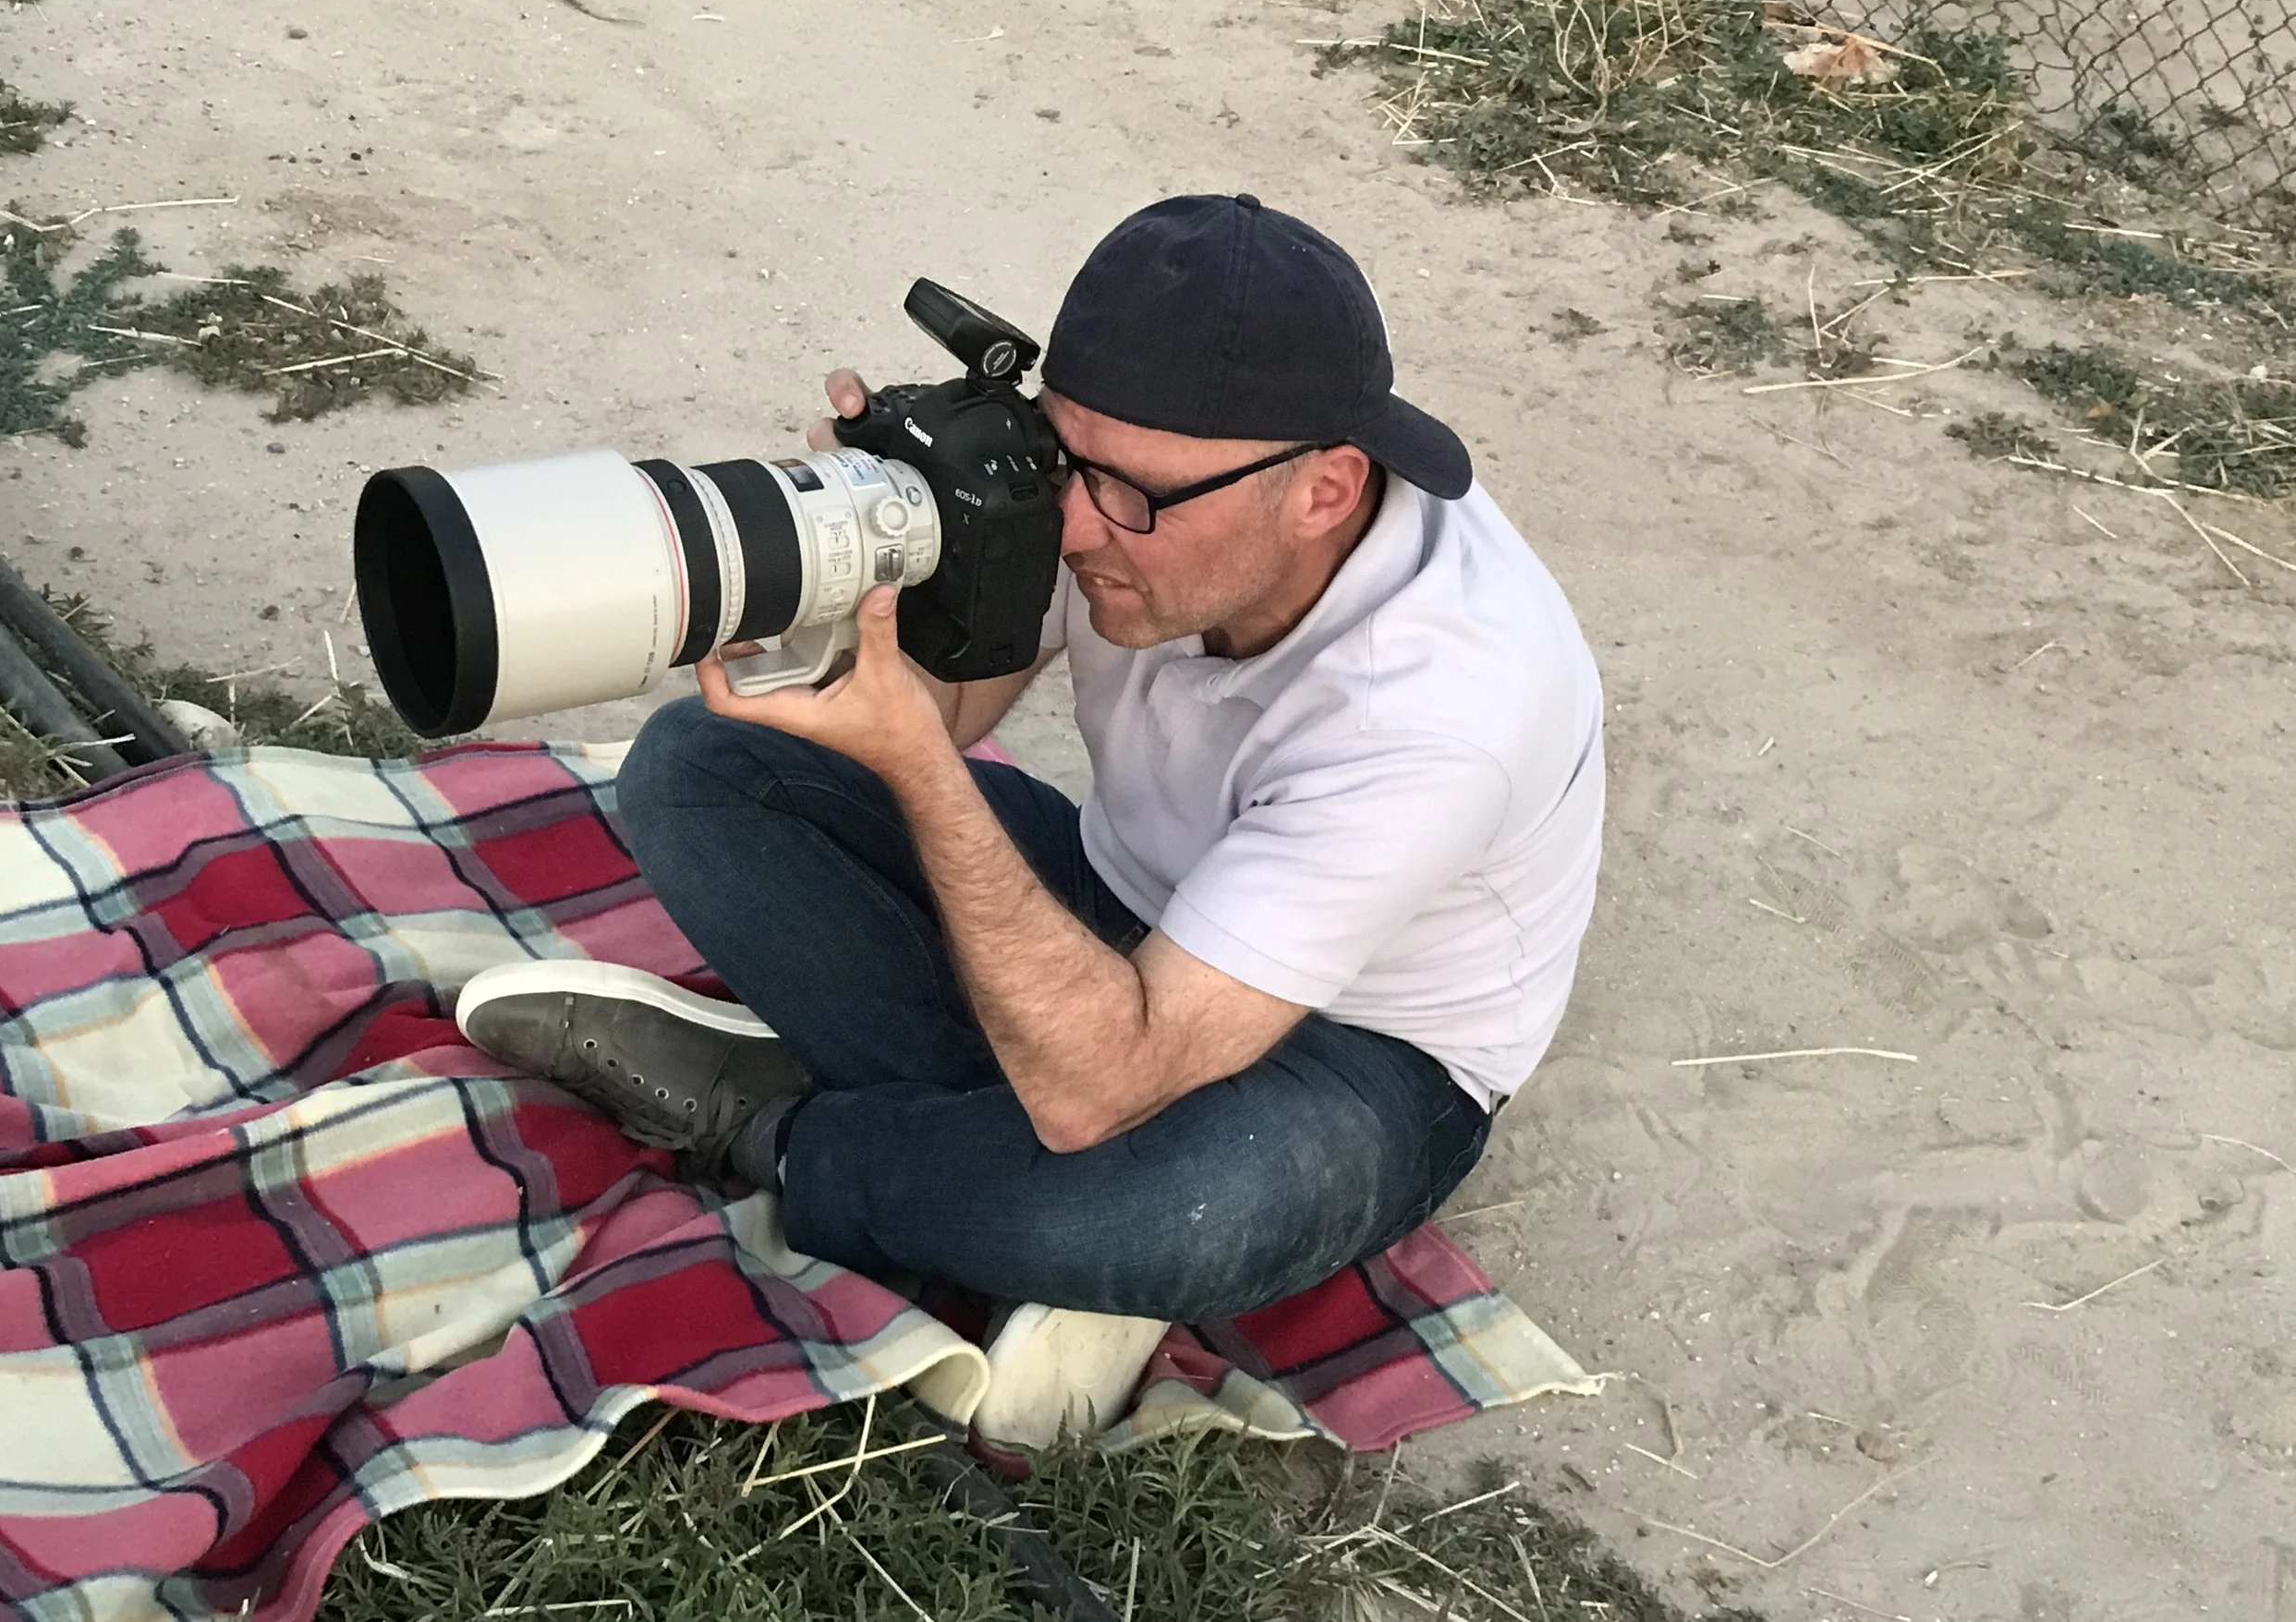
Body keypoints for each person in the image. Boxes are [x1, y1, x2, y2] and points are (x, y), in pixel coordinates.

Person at [459, 193, 1604, 1446]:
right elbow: (949, 706)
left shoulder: (1442, 704)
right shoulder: (1125, 491)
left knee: (1161, 1211)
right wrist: (889, 559)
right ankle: (988, 1173)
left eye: (1130, 494)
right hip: (1121, 900)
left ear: (1326, 490)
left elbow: (1089, 1079)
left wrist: (923, 777)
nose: (1074, 523)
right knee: (704, 764)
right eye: (1062, 459)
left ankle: (779, 1128)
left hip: (1359, 1052)